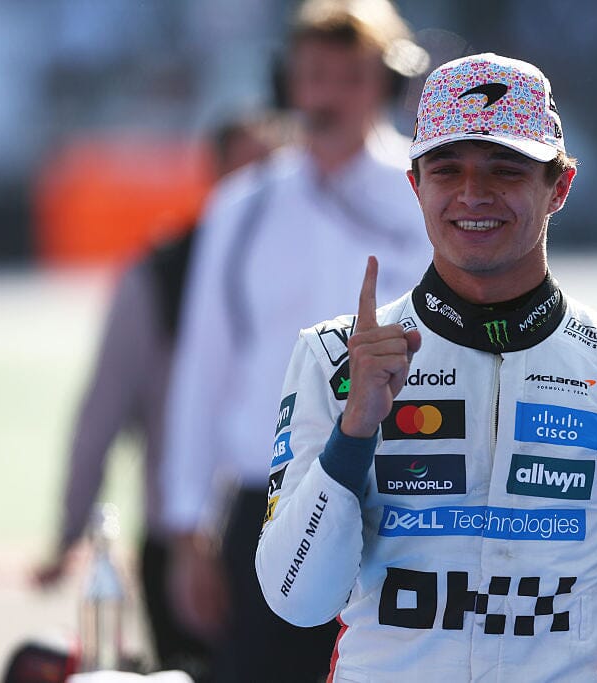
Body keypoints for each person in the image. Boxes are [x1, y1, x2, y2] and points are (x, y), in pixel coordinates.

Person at [255, 52, 597, 682]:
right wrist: (354, 432)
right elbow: (297, 599)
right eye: (446, 169)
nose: (472, 194)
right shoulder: (336, 358)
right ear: (415, 185)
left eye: (505, 170)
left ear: (558, 187)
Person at [159, 1, 431, 681]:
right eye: (314, 75)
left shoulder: (427, 193)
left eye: (350, 76)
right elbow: (203, 368)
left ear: (387, 84)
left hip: (401, 494)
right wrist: (187, 531)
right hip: (269, 498)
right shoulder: (241, 205)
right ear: (287, 84)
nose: (329, 95)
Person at [32, 113, 279, 681]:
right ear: (216, 176)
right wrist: (70, 530)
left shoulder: (316, 264)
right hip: (182, 537)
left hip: (299, 533)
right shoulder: (157, 276)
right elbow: (102, 412)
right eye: (247, 172)